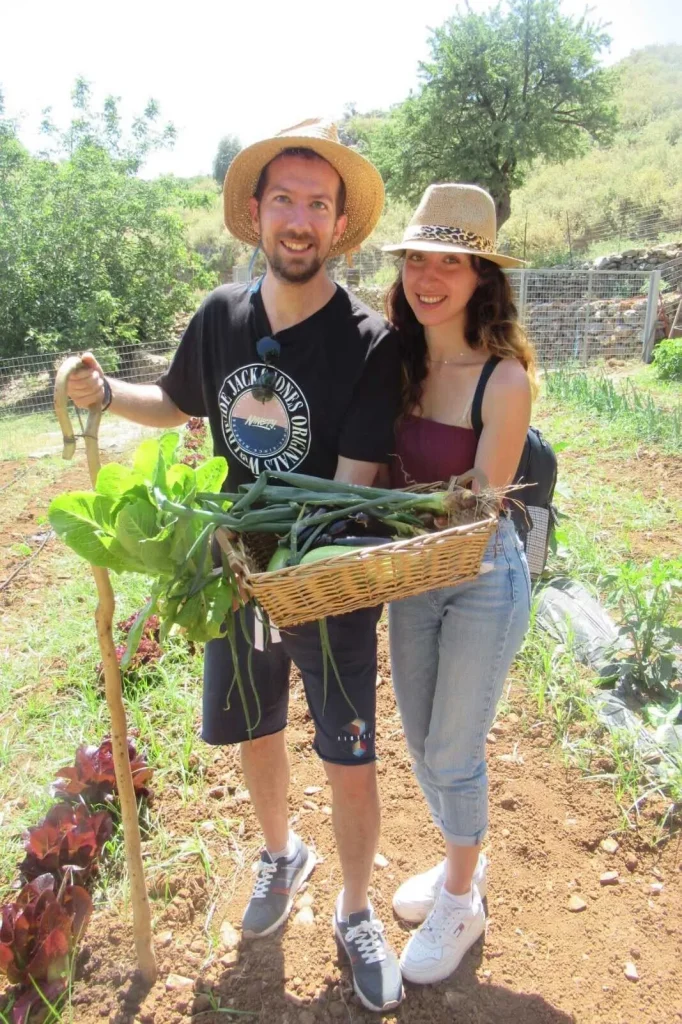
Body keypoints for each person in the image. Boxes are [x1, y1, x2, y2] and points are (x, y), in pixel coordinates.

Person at [67, 118, 404, 1013]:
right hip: (235, 574)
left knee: (349, 752)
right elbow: (174, 401)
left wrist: (283, 568)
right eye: (284, 200)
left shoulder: (372, 342)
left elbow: (348, 488)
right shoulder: (221, 315)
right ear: (255, 214)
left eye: (318, 205)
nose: (300, 220)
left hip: (327, 578)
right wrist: (104, 394)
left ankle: (356, 907)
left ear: (339, 225)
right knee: (257, 729)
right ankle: (281, 854)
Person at [381, 183, 535, 985]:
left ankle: (462, 896)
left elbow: (476, 506)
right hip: (414, 577)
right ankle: (455, 866)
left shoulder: (503, 380)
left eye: (451, 260)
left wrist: (379, 511)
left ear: (481, 275)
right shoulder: (396, 359)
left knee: (452, 745)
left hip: (479, 576)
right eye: (417, 259)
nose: (429, 276)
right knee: (418, 738)